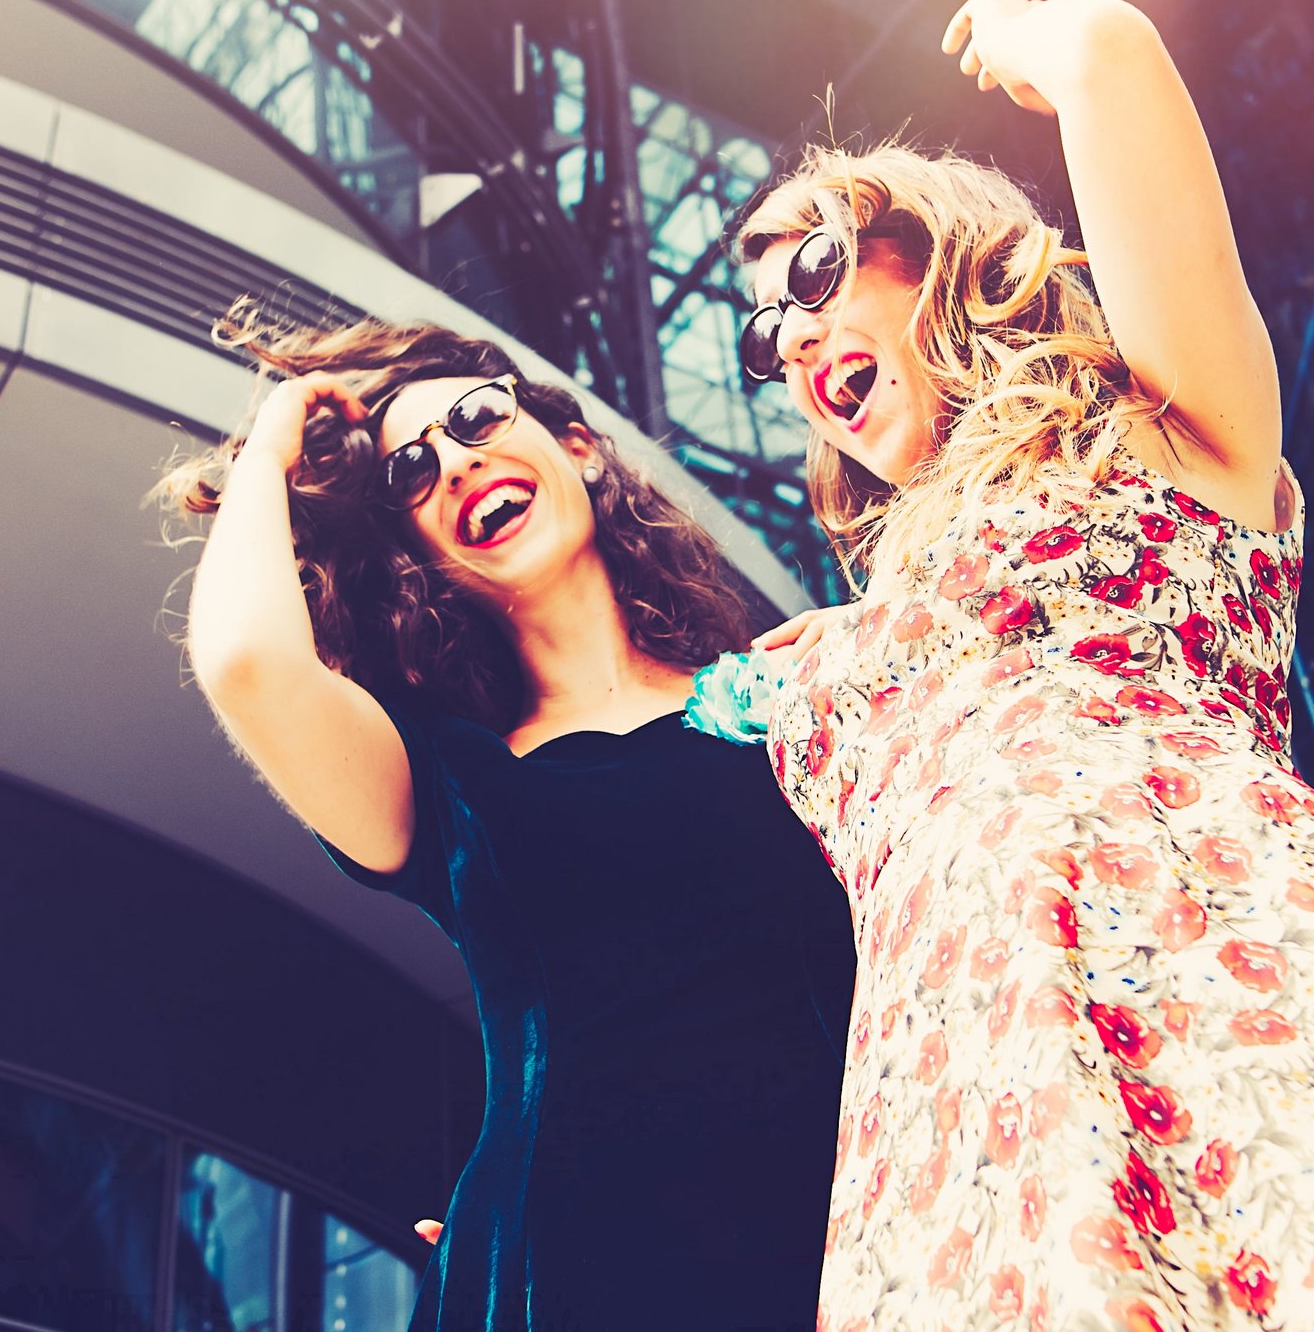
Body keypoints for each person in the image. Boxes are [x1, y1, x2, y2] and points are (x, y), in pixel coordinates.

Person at [738, 0, 1314, 1332]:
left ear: (934, 251)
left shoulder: (1153, 439)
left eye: (812, 275)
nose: (794, 340)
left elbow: (1112, 56)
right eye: (766, 338)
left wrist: (1038, 34)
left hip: (1233, 985)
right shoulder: (815, 663)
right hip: (970, 1114)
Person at [159, 311, 855, 1332]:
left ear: (575, 446)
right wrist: (272, 442)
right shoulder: (445, 778)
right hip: (562, 1271)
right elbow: (248, 663)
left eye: (478, 417)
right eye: (409, 472)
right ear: (420, 559)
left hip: (833, 1243)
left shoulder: (785, 695)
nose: (452, 462)